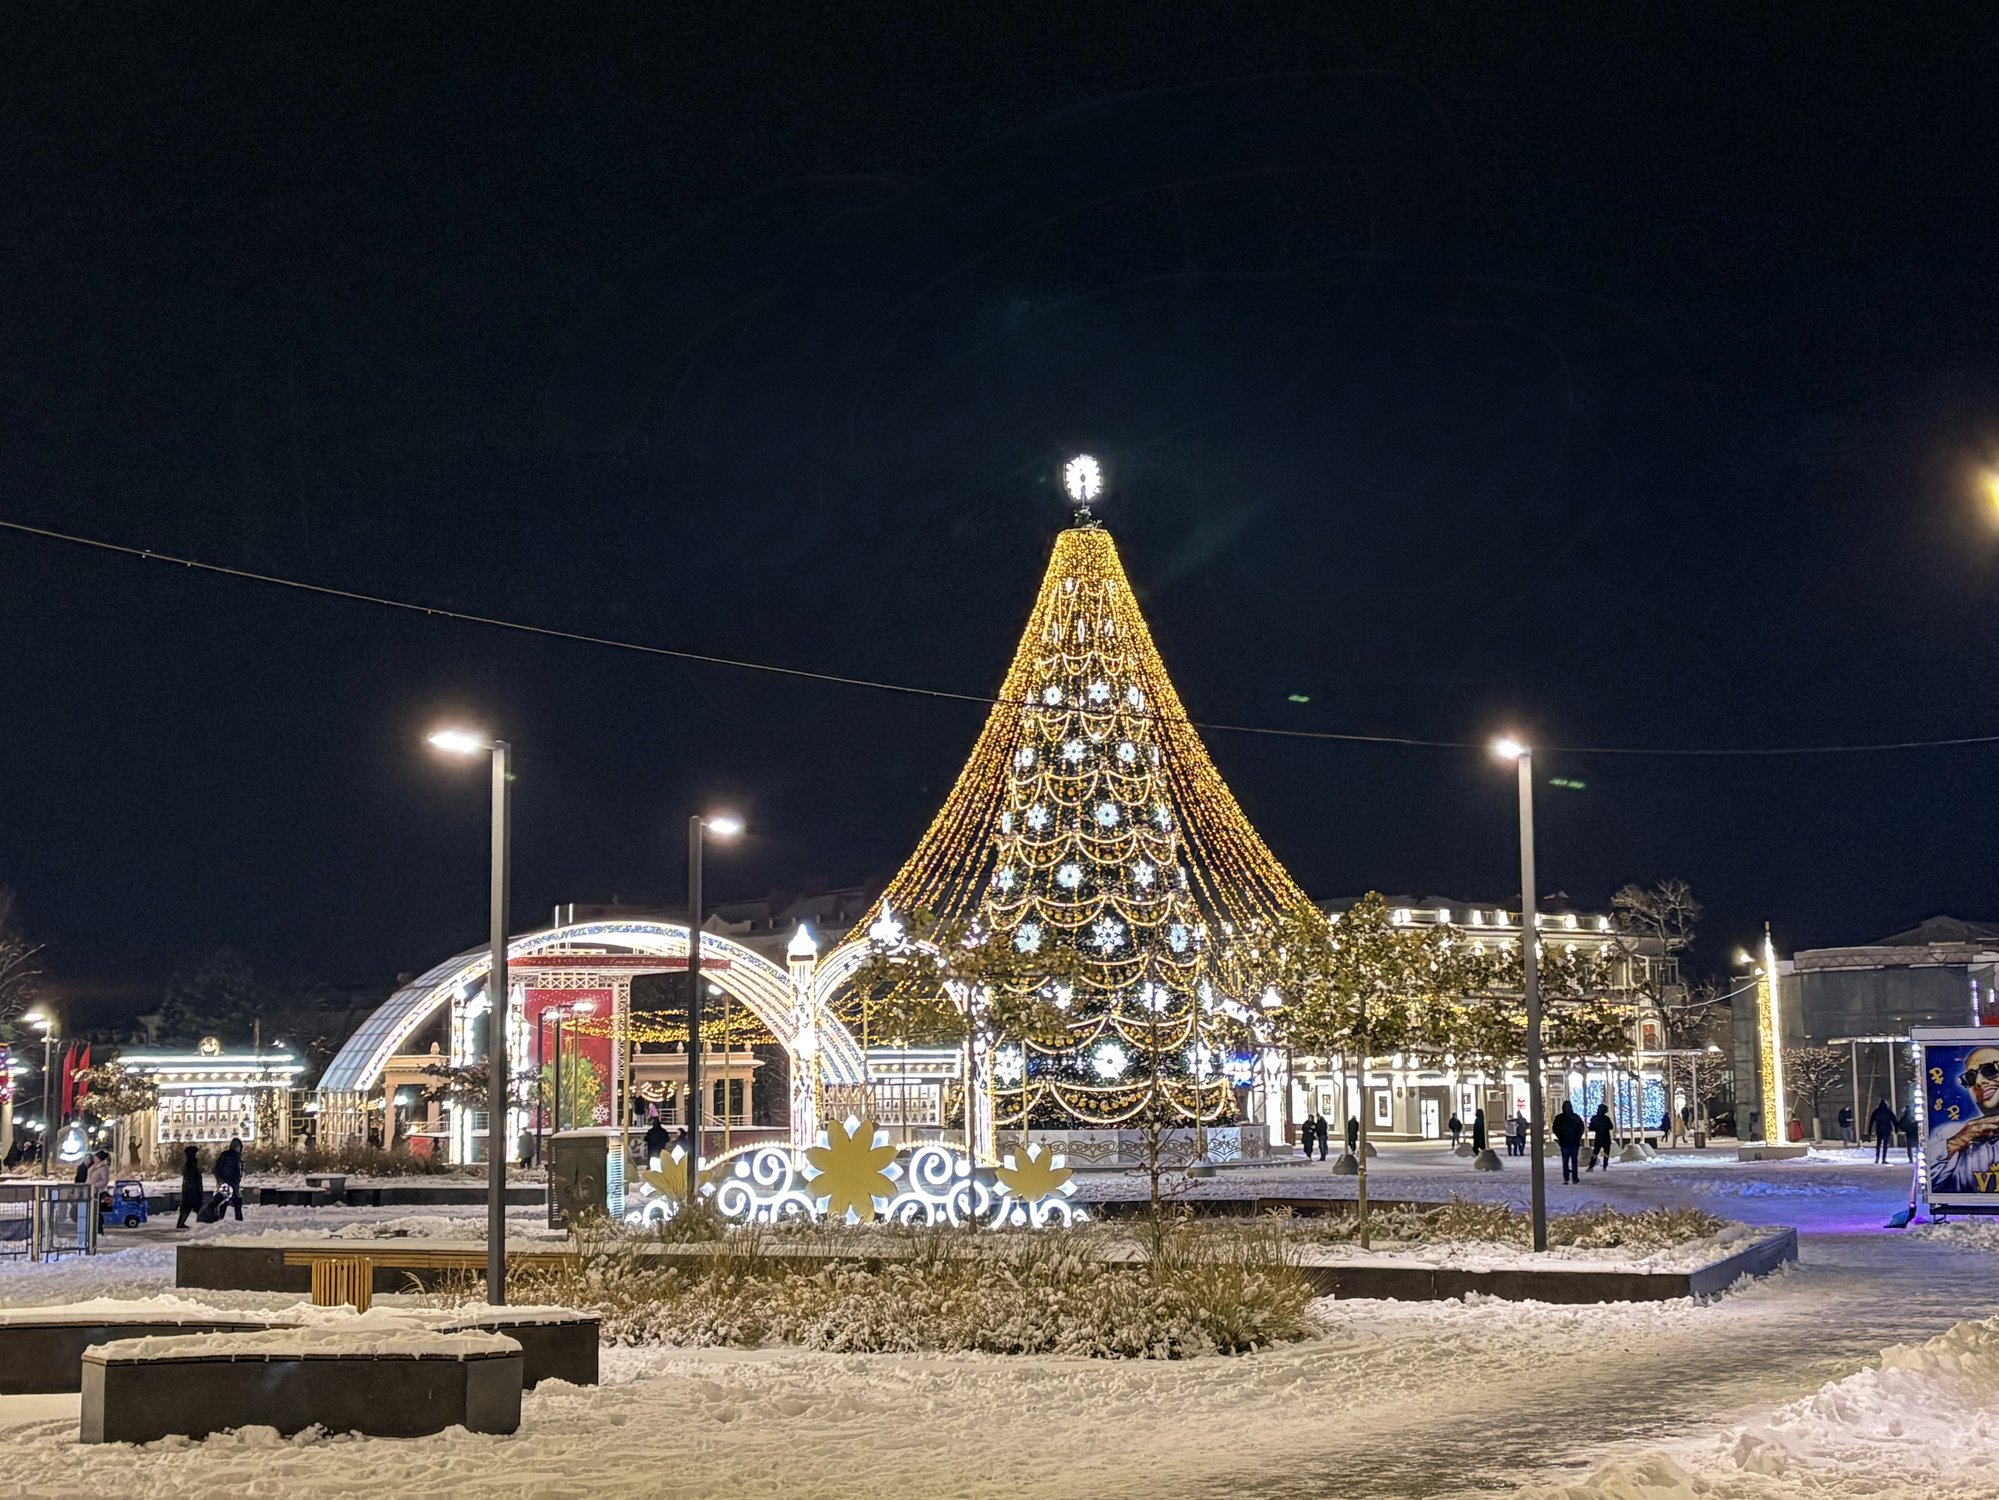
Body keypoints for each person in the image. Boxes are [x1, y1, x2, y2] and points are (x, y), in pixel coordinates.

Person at [1929, 1046, 1999, 1193]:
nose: (1979, 1082)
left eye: (1989, 1070)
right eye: (1970, 1078)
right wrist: (1954, 1144)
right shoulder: (1949, 1134)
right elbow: (1930, 1185)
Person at [1552, 1101, 1585, 1182]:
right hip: (1574, 1142)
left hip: (1564, 1142)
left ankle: (1566, 1177)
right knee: (1574, 1160)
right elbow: (1581, 1128)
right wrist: (1578, 1137)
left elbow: (1555, 1129)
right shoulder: (1576, 1117)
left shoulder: (1559, 1118)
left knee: (1565, 1161)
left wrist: (1560, 1137)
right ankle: (1575, 1177)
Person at [214, 1136, 244, 1221]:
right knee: (236, 1202)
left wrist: (219, 1179)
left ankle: (220, 1218)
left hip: (225, 1182)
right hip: (231, 1182)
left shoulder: (225, 1155)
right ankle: (238, 1219)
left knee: (224, 1201)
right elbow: (237, 1170)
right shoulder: (236, 1157)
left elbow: (216, 1168)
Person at [175, 1145, 204, 1229]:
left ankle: (181, 1223)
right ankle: (200, 1225)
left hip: (190, 1189)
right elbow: (192, 1177)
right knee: (195, 1207)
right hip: (192, 1190)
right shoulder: (191, 1163)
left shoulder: (191, 1162)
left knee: (187, 1207)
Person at [1869, 1098, 1897, 1164]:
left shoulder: (1876, 1111)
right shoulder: (1888, 1111)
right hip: (1887, 1129)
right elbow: (1894, 1120)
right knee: (1885, 1144)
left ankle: (1877, 1158)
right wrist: (1896, 1129)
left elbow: (1871, 1121)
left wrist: (1870, 1130)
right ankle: (1883, 1159)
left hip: (1879, 1129)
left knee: (1878, 1144)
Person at [1588, 1103, 1614, 1171]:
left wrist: (1597, 1127)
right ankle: (1604, 1167)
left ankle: (1591, 1166)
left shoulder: (1594, 1118)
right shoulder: (1606, 1119)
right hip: (1606, 1138)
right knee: (1606, 1153)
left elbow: (1591, 1127)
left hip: (1598, 1138)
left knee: (1595, 1152)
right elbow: (1611, 1127)